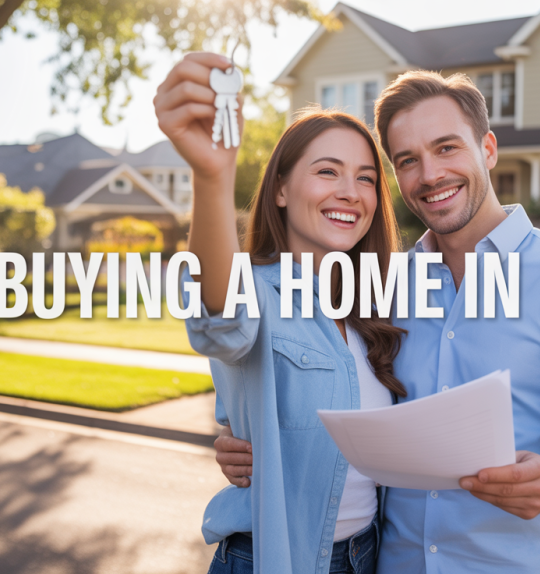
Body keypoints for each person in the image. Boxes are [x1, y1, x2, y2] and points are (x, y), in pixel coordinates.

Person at [214, 70, 540, 572]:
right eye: (407, 160)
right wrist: (249, 435)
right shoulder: (383, 285)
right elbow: (318, 381)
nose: (430, 175)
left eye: (446, 148)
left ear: (488, 149)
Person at [154, 52, 407, 574]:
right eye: (327, 171)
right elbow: (220, 319)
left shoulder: (374, 303)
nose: (349, 192)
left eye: (365, 178)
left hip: (367, 555)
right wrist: (212, 176)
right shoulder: (257, 290)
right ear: (281, 190)